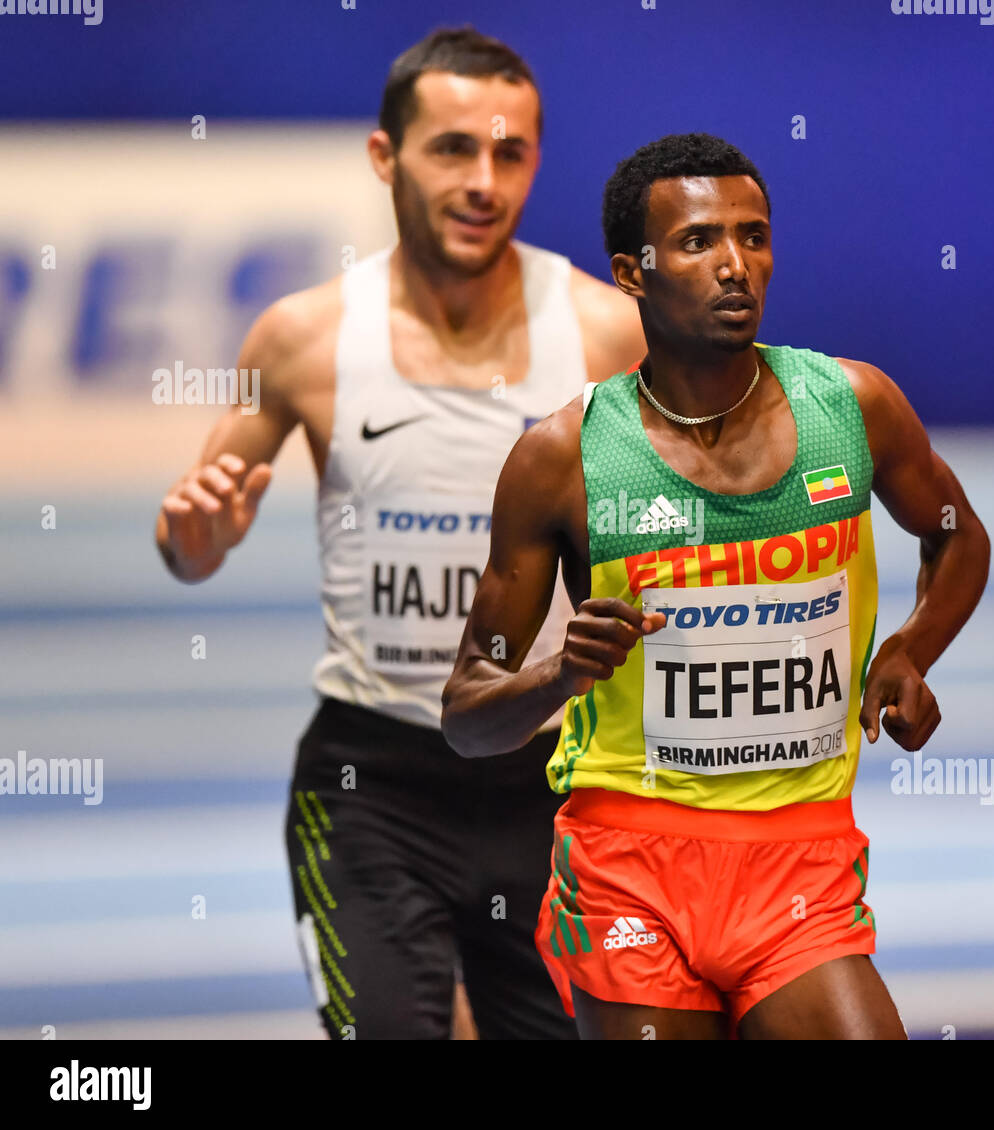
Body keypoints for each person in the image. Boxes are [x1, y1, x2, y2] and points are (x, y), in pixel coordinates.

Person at [441, 132, 991, 1039]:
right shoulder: (562, 460)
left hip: (801, 862)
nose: (735, 265)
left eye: (754, 235)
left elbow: (957, 537)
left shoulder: (852, 409)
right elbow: (467, 715)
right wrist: (558, 678)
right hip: (630, 868)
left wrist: (908, 649)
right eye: (699, 242)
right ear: (632, 270)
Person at [154, 26, 645, 1040]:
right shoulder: (301, 338)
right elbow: (193, 546)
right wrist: (200, 533)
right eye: (452, 149)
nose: (483, 180)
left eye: (509, 153)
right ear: (386, 157)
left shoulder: (604, 333)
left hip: (553, 784)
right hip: (371, 782)